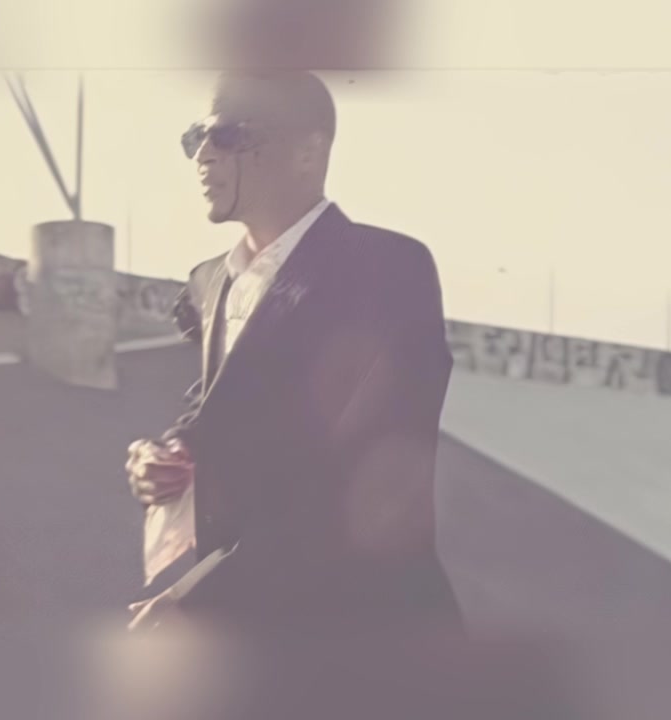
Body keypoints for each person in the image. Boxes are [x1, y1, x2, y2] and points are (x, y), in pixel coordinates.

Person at [122, 70, 464, 716]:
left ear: (308, 152)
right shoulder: (210, 283)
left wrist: (203, 600)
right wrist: (166, 456)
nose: (204, 154)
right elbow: (215, 409)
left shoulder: (385, 268)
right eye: (196, 136)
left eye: (228, 135)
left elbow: (363, 478)